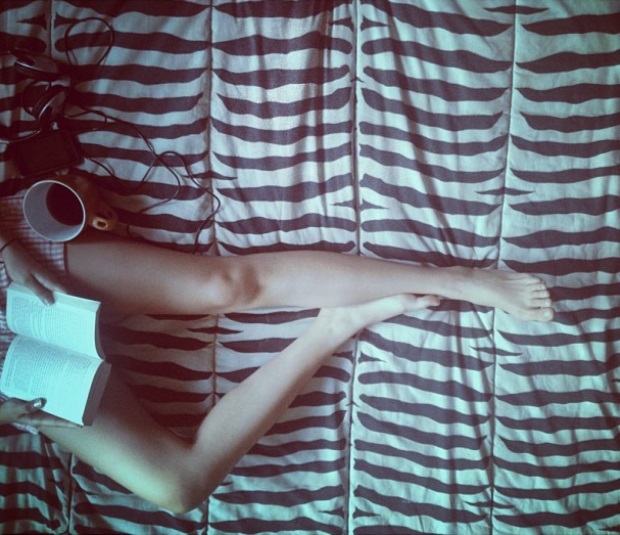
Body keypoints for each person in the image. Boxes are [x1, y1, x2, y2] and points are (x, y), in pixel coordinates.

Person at [0, 190, 554, 513]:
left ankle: (457, 280)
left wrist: (5, 247)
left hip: (10, 273)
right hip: (11, 370)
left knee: (224, 287)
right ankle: (332, 327)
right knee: (178, 486)